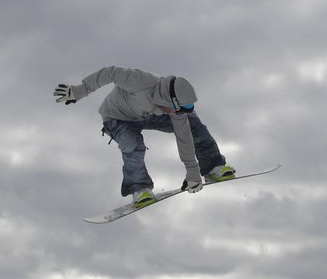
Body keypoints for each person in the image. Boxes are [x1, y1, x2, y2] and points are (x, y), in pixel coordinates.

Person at [54, 66, 235, 207]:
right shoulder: (139, 81)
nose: (180, 113)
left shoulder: (175, 109)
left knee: (192, 123)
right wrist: (79, 91)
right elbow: (110, 72)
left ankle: (213, 167)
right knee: (132, 145)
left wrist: (193, 173)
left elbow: (184, 136)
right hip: (118, 117)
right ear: (170, 100)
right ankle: (139, 189)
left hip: (149, 115)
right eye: (179, 108)